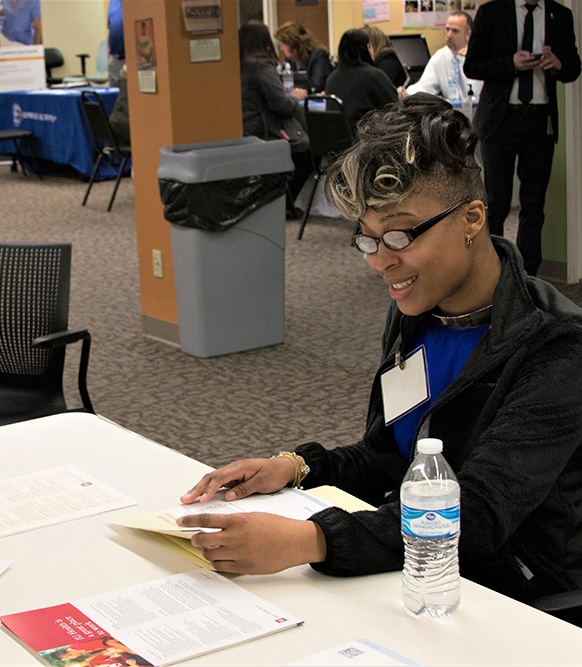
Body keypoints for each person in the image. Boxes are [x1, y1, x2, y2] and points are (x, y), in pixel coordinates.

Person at [177, 94, 582, 605]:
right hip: (420, 570)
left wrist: (313, 540)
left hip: (515, 595)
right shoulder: (417, 312)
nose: (379, 262)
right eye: (367, 239)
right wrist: (297, 468)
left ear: (473, 219)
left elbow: (479, 515)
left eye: (399, 234)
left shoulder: (556, 345)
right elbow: (391, 456)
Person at [463, 0, 581, 277]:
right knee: (496, 201)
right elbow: (472, 66)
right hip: (501, 119)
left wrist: (558, 64)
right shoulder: (492, 13)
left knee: (533, 204)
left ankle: (527, 277)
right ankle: (491, 273)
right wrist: (511, 63)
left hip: (540, 121)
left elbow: (574, 68)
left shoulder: (560, 15)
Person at [239, 22, 312, 220]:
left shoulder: (237, 66)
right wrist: (295, 98)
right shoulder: (262, 66)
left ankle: (282, 205)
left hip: (245, 131)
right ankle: (286, 204)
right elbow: (281, 104)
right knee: (307, 153)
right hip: (265, 132)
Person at [325, 29, 398, 132]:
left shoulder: (331, 78)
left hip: (338, 142)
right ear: (367, 47)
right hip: (367, 140)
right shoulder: (374, 75)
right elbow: (395, 107)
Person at [405, 11, 482, 104]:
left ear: (468, 35)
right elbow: (425, 86)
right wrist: (406, 94)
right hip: (452, 113)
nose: (449, 35)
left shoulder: (479, 56)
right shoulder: (441, 57)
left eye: (455, 31)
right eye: (447, 30)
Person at [274, 22, 332, 93]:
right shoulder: (289, 61)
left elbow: (316, 86)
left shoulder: (318, 56)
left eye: (283, 43)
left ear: (292, 43)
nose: (281, 48)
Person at [107, 0, 125, 87]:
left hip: (129, 58)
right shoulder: (112, 3)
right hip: (115, 58)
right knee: (113, 95)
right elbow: (111, 28)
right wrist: (109, 51)